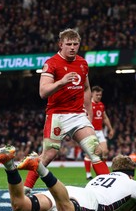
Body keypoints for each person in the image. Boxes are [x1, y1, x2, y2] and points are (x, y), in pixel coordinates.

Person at [23, 28, 110, 194]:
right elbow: (43, 92)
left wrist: (89, 115)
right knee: (49, 154)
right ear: (60, 44)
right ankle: (26, 188)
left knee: (96, 151)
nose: (72, 47)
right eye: (68, 44)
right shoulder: (52, 63)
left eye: (75, 44)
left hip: (78, 115)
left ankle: (111, 193)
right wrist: (61, 82)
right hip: (57, 115)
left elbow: (86, 89)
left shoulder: (83, 64)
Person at [0, 145, 136, 211]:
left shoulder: (100, 177)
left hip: (71, 191)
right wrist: (134, 207)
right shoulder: (132, 184)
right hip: (87, 202)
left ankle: (9, 164)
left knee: (20, 206)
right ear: (131, 174)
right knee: (67, 210)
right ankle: (40, 168)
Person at [83, 85, 114, 180]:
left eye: (100, 95)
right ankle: (88, 174)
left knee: (105, 151)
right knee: (90, 153)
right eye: (97, 95)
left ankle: (103, 172)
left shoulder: (101, 105)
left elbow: (104, 117)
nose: (99, 97)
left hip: (100, 131)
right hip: (91, 131)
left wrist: (110, 129)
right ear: (92, 94)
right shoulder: (88, 105)